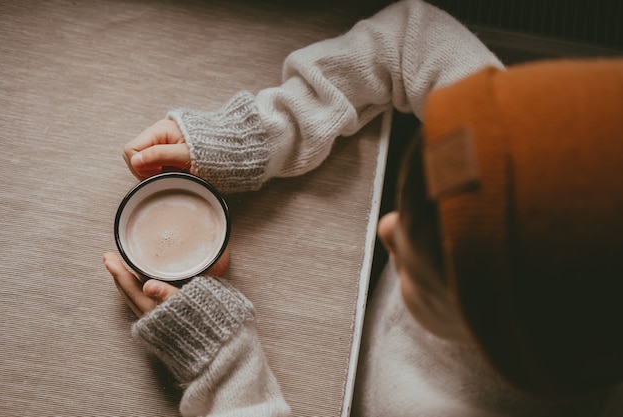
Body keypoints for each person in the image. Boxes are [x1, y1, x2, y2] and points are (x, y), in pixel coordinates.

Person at [102, 0, 623, 415]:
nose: (388, 230)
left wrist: (225, 368)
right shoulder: (518, 142)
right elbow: (409, 37)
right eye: (417, 204)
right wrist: (265, 133)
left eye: (429, 266)